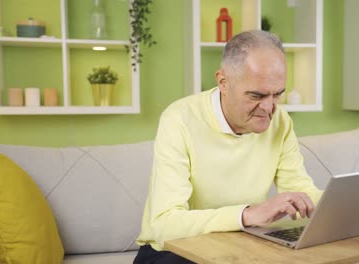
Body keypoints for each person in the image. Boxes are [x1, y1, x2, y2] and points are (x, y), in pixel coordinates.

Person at [134, 30, 323, 264]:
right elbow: (166, 225)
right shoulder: (179, 118)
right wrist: (247, 214)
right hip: (173, 251)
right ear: (223, 82)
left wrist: (342, 204)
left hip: (240, 244)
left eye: (277, 94)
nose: (269, 108)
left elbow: (301, 190)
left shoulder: (280, 122)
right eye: (257, 95)